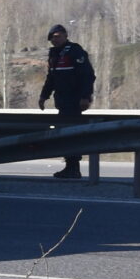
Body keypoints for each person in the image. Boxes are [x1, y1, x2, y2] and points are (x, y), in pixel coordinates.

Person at [38, 24, 97, 179]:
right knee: (65, 134)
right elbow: (51, 78)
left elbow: (87, 75)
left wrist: (85, 96)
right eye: (52, 37)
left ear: (65, 35)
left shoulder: (75, 51)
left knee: (72, 134)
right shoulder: (54, 54)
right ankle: (70, 166)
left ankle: (73, 168)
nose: (54, 40)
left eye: (57, 36)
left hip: (75, 100)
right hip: (62, 101)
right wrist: (44, 96)